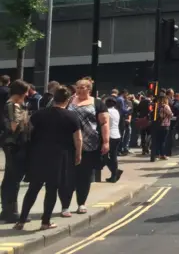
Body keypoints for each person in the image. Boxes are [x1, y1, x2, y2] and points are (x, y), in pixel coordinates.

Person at [14, 86, 82, 231]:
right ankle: (45, 222)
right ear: (68, 99)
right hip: (59, 156)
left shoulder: (39, 114)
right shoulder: (71, 116)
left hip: (38, 154)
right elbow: (78, 139)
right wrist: (78, 154)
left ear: (54, 98)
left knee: (33, 188)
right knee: (52, 190)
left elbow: (28, 131)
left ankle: (21, 221)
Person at [64, 78, 109, 216]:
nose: (79, 90)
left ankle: (81, 203)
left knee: (84, 176)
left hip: (90, 145)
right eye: (78, 87)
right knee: (67, 176)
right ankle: (65, 206)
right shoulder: (69, 101)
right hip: (69, 144)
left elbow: (104, 123)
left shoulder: (98, 103)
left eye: (83, 87)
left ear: (89, 89)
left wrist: (106, 142)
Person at [0, 80, 31, 223]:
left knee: (10, 177)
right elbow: (13, 126)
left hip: (11, 145)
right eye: (25, 94)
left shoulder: (10, 104)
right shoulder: (13, 105)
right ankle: (11, 211)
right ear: (20, 94)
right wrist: (25, 117)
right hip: (15, 145)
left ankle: (7, 210)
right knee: (14, 178)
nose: (26, 97)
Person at [104, 97, 123, 182]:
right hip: (117, 135)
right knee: (113, 156)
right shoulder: (116, 111)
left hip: (110, 136)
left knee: (103, 156)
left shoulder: (107, 112)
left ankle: (115, 173)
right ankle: (114, 174)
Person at [154, 96, 173, 161]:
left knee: (158, 140)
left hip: (158, 124)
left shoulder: (158, 106)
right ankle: (162, 155)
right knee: (163, 141)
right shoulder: (166, 106)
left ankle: (157, 154)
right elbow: (171, 114)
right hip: (165, 124)